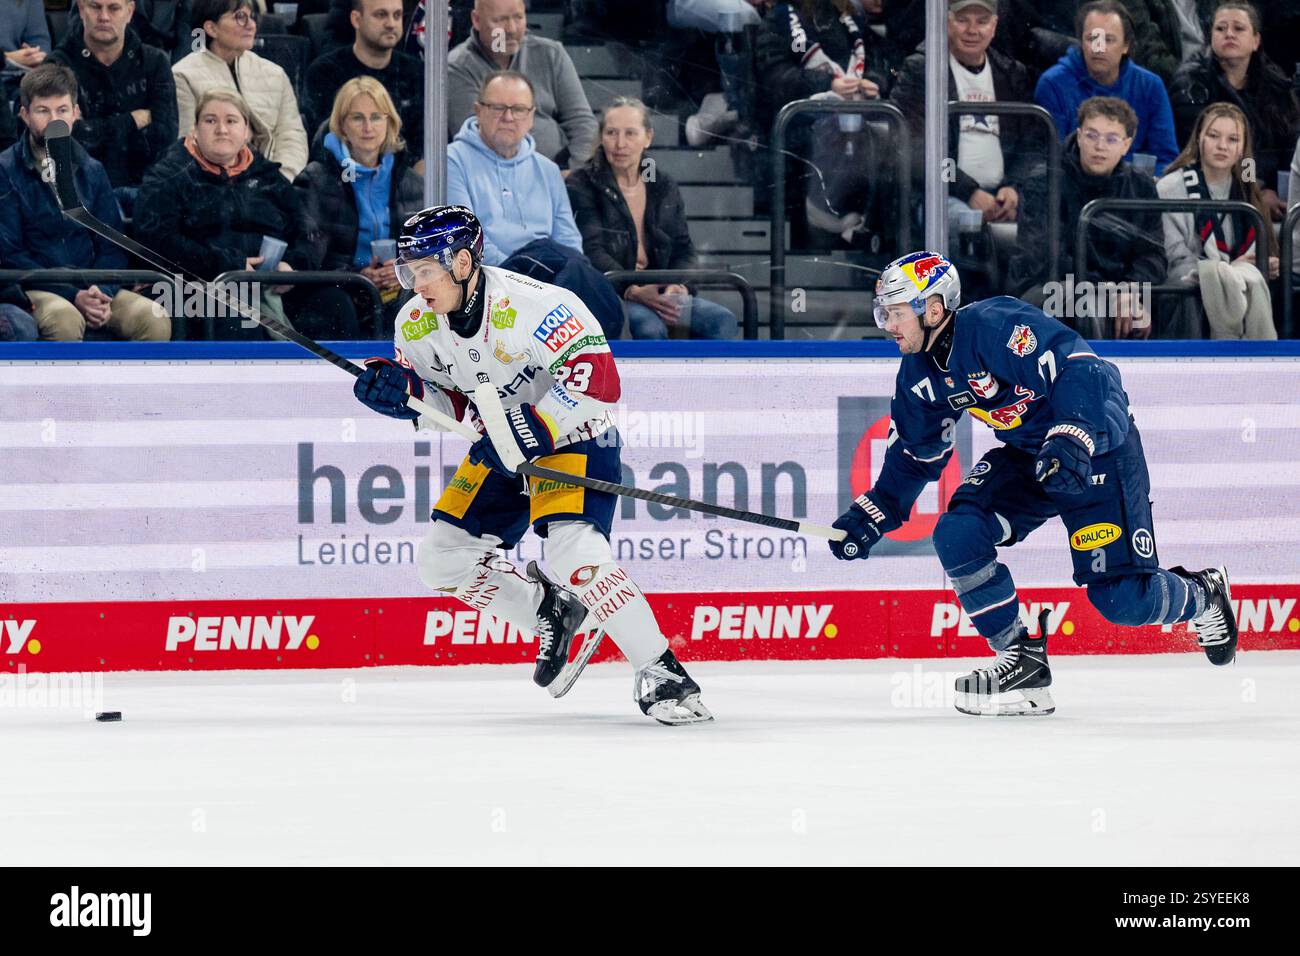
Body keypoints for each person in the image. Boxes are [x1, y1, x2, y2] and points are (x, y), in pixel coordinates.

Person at [829, 250, 1238, 716]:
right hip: (1031, 457)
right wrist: (874, 512)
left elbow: (1081, 367)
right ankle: (1021, 661)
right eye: (883, 314)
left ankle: (1204, 594)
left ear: (934, 309)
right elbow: (914, 453)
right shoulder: (919, 374)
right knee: (958, 531)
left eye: (896, 314)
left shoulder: (996, 326)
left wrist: (1072, 435)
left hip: (1095, 448)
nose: (888, 326)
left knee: (1123, 600)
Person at [350, 205, 712, 725]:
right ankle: (552, 611)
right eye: (408, 271)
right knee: (443, 559)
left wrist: (529, 431)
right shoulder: (415, 323)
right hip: (500, 446)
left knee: (573, 550)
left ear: (462, 261)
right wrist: (404, 394)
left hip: (574, 435)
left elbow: (599, 384)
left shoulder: (537, 306)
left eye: (424, 270)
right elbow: (449, 403)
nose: (414, 284)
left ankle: (662, 671)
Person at [134, 88, 338, 338]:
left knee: (334, 304)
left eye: (231, 121)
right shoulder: (169, 175)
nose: (221, 129)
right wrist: (226, 265)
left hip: (270, 286)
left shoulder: (267, 176)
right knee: (239, 320)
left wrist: (293, 265)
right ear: (195, 129)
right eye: (210, 120)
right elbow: (157, 238)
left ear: (247, 130)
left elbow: (310, 231)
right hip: (199, 288)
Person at [0, 64, 170, 342]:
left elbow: (112, 245)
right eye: (43, 111)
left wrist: (100, 291)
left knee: (153, 316)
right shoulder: (4, 170)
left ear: (76, 113)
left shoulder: (92, 170)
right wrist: (73, 294)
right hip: (36, 287)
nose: (54, 120)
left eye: (62, 110)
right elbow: (11, 255)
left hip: (93, 288)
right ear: (25, 114)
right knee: (64, 319)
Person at [567, 97, 739, 340]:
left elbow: (684, 249)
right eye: (611, 133)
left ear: (648, 137)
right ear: (601, 137)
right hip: (613, 293)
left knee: (722, 320)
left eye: (630, 134)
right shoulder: (582, 183)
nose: (620, 144)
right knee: (649, 327)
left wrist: (677, 286)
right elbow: (592, 252)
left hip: (659, 290)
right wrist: (632, 290)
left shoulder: (662, 184)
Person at [1007, 97, 1167, 338]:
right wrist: (1106, 291)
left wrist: (1128, 289)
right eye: (1092, 135)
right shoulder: (1043, 180)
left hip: (1117, 291)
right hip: (1048, 287)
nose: (1099, 146)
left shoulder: (1141, 186)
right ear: (1079, 136)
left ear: (1126, 145)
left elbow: (1153, 255)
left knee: (1171, 301)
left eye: (1111, 139)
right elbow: (1044, 258)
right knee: (1085, 302)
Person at [890, 0, 1038, 235]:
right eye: (962, 20)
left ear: (994, 26)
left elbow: (1031, 145)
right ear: (946, 22)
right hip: (941, 196)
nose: (972, 30)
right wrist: (968, 191)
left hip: (1001, 195)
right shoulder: (921, 70)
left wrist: (1014, 187)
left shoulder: (1012, 74)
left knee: (1042, 223)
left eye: (982, 21)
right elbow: (913, 149)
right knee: (968, 224)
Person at [757, 1, 897, 244]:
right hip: (802, 123)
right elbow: (775, 79)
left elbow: (878, 63)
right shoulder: (780, 18)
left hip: (858, 114)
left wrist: (872, 81)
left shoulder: (850, 17)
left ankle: (869, 222)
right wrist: (826, 84)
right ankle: (822, 210)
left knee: (890, 132)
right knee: (834, 127)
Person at [294, 75, 423, 331]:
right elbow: (309, 257)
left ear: (390, 123)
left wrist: (403, 271)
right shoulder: (317, 179)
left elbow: (425, 249)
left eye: (376, 117)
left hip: (395, 287)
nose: (368, 127)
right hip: (339, 289)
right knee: (337, 305)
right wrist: (356, 275)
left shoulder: (410, 181)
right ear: (342, 126)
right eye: (357, 117)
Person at [1169, 2, 1299, 223]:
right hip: (1214, 190)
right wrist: (1255, 191)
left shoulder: (1275, 84)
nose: (1229, 34)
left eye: (1238, 28)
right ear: (1210, 37)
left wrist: (1284, 191)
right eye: (1220, 29)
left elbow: (1289, 145)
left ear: (1256, 40)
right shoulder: (1191, 83)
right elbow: (1208, 151)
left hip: (1272, 194)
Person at [1157, 102, 1278, 338]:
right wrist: (1228, 271)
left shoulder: (1248, 189)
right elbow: (1175, 258)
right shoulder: (1170, 186)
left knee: (1255, 279)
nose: (1222, 146)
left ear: (1243, 148)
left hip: (1241, 277)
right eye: (1213, 136)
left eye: (1233, 139)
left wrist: (1266, 262)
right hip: (1186, 280)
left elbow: (1262, 250)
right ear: (1199, 139)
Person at [49, 0, 179, 215]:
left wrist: (91, 129)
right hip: (83, 192)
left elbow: (164, 137)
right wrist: (130, 122)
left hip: (146, 186)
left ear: (129, 12)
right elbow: (63, 143)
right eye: (95, 7)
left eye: (114, 8)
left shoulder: (155, 62)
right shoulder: (57, 66)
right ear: (81, 9)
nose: (104, 16)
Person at [446, 0, 597, 173]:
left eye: (518, 17)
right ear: (477, 20)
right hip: (497, 178)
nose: (511, 29)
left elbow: (582, 123)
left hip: (562, 173)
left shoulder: (551, 53)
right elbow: (480, 142)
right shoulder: (457, 67)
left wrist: (576, 176)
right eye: (500, 20)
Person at [1034, 0, 1179, 171]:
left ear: (1126, 45)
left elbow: (1166, 158)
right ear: (1080, 41)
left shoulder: (1151, 86)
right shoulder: (1052, 84)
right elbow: (1052, 160)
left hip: (1134, 190)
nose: (1099, 48)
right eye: (1091, 38)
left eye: (1108, 40)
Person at [174, 0, 309, 180]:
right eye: (240, 17)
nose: (251, 25)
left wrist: (283, 178)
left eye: (252, 17)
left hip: (277, 182)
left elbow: (292, 135)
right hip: (218, 183)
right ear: (211, 29)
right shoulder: (183, 75)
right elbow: (188, 142)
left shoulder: (275, 73)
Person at [302, 0, 424, 159]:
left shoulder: (417, 73)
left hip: (407, 177)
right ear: (356, 19)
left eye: (397, 15)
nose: (391, 24)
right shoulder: (325, 73)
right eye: (381, 15)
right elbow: (325, 147)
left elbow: (426, 145)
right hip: (345, 175)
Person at [66, 0, 195, 63]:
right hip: (110, 58)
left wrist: (180, 71)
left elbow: (191, 25)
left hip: (169, 60)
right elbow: (79, 24)